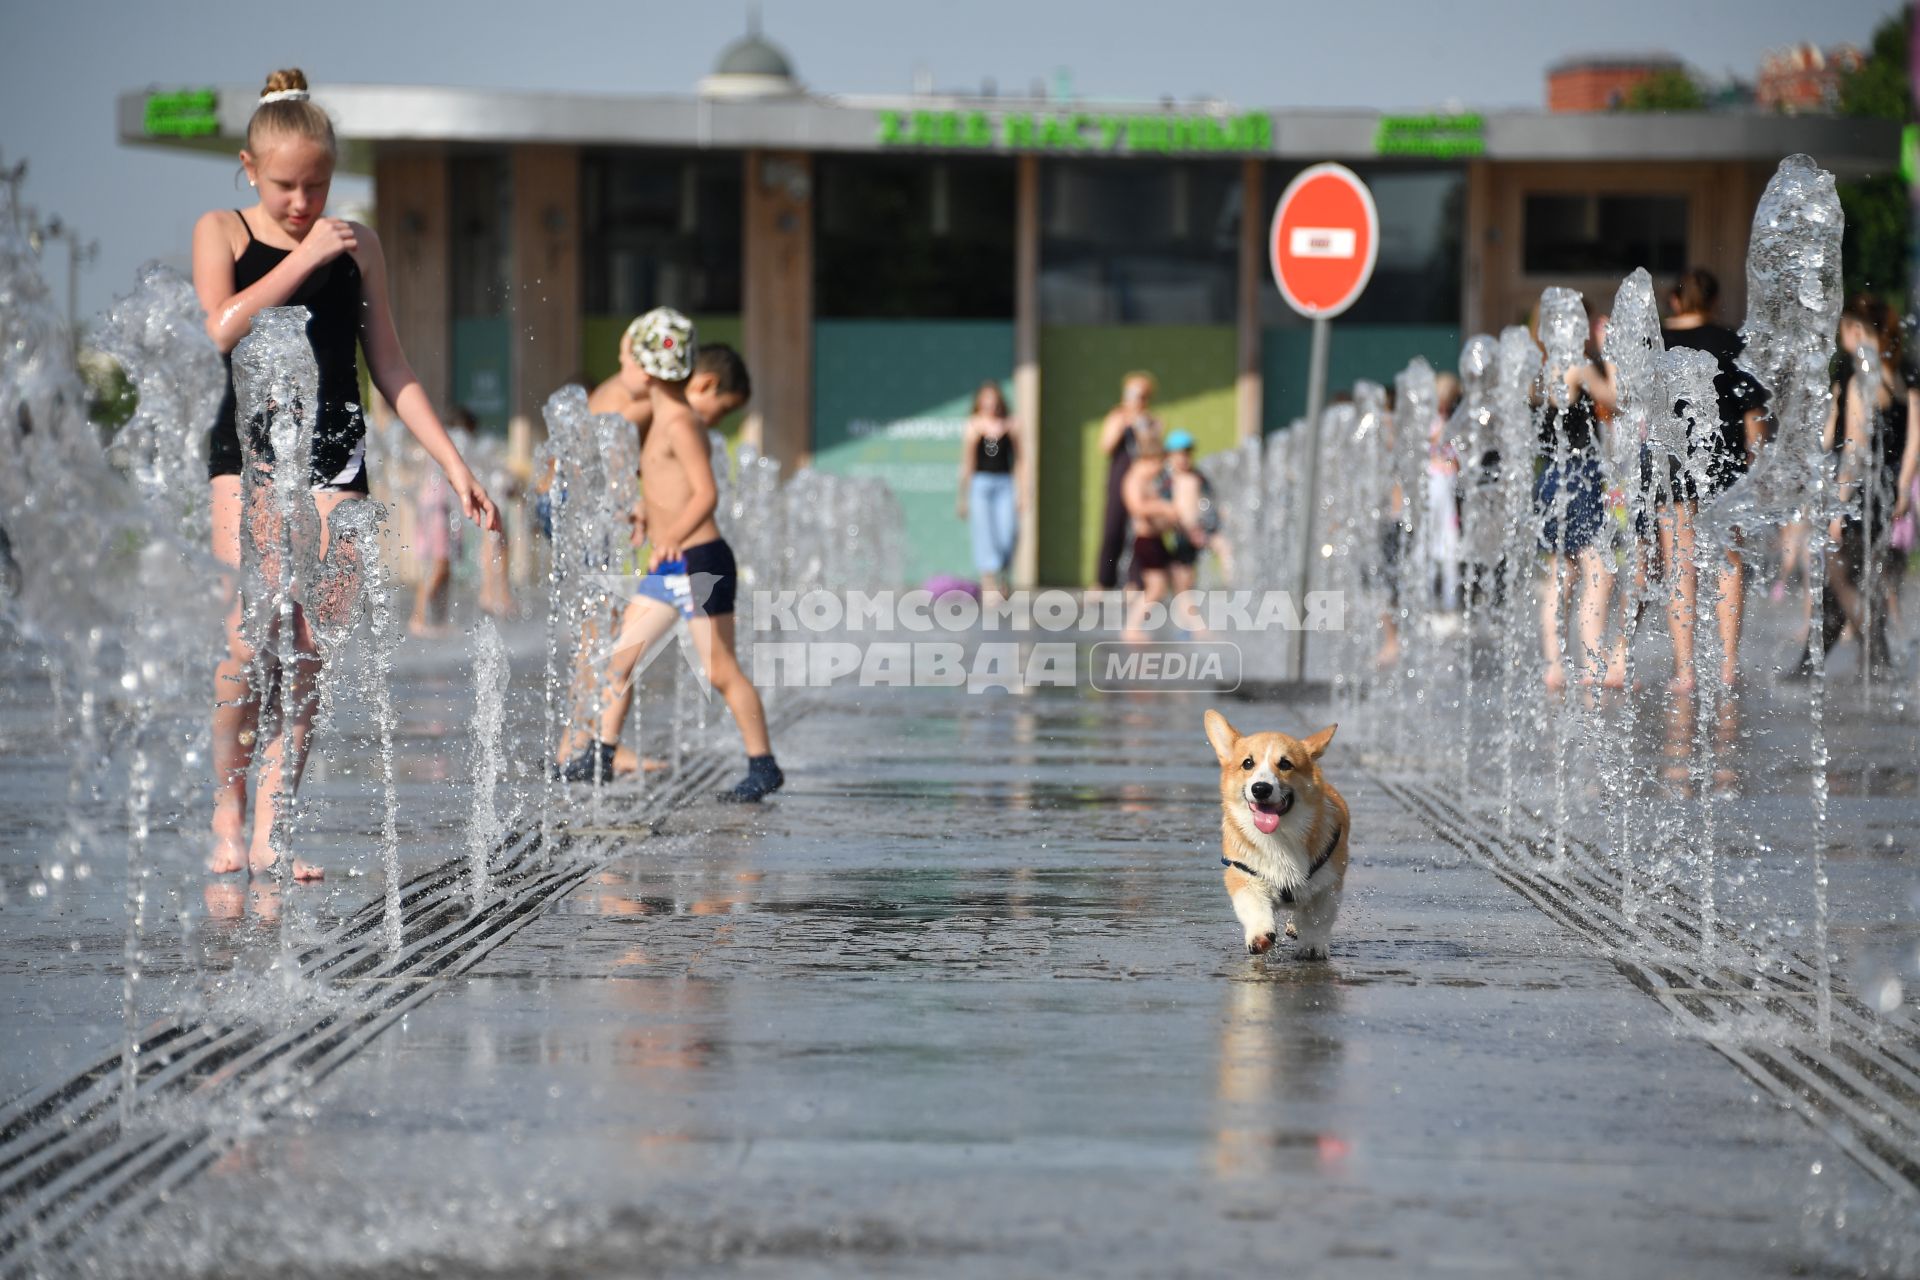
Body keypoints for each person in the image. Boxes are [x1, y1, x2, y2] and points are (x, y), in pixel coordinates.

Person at [192, 69, 497, 880]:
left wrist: (455, 465)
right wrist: (303, 258)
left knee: (309, 650)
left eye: (318, 184)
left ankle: (274, 827)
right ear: (250, 169)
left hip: (338, 457)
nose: (303, 202)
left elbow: (390, 366)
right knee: (242, 639)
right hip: (249, 456)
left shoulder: (358, 245)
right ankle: (227, 808)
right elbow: (221, 329)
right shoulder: (221, 229)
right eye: (287, 185)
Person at [558, 312, 779, 801]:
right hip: (670, 563)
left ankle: (763, 764)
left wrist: (673, 533)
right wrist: (644, 510)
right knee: (620, 657)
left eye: (630, 360)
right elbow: (664, 486)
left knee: (720, 669)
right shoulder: (661, 418)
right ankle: (600, 754)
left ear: (652, 368)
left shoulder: (681, 421)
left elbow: (705, 495)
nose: (625, 370)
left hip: (700, 559)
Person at [1658, 267, 1768, 693]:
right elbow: (1752, 412)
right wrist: (1754, 464)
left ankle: (1685, 671)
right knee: (1728, 561)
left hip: (1672, 461)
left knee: (1679, 564)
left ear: (1674, 300)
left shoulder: (1657, 342)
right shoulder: (1731, 342)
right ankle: (1726, 666)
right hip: (1725, 458)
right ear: (1714, 301)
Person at [1796, 296, 1919, 673]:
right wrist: (1901, 487)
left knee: (1838, 574)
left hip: (1860, 492)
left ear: (1855, 330)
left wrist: (1838, 505)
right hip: (1887, 489)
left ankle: (1877, 654)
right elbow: (1915, 438)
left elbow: (1855, 448)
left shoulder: (1857, 376)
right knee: (1853, 579)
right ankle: (1809, 667)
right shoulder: (1901, 373)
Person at [1535, 313, 1618, 691]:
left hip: (1552, 475)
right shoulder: (1579, 366)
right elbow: (1615, 399)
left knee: (1562, 572)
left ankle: (1554, 665)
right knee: (1597, 571)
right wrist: (1610, 354)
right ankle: (1593, 660)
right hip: (1579, 475)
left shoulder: (1547, 367)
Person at [408, 405, 476, 637]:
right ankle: (418, 618)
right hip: (439, 509)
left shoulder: (442, 444)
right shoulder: (453, 444)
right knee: (438, 566)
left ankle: (439, 619)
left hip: (438, 508)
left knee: (444, 568)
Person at [955, 381, 1024, 599]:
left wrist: (1024, 491)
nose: (990, 405)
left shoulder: (1011, 425)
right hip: (981, 484)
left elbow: (1021, 460)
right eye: (985, 400)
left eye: (993, 400)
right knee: (984, 533)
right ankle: (989, 583)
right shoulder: (973, 426)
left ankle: (1004, 574)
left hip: (1005, 483)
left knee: (1007, 531)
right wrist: (962, 497)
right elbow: (967, 463)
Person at [1096, 372, 1163, 590]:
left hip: (1141, 477)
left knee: (1139, 529)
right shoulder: (1117, 417)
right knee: (1113, 528)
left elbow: (1153, 451)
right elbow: (1105, 446)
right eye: (1133, 394)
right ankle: (1104, 579)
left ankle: (1136, 580)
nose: (1137, 400)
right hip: (1120, 474)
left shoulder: (1150, 420)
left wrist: (1145, 427)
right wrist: (1124, 423)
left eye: (1142, 395)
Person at [1120, 434, 1179, 643]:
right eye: (1156, 463)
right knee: (1156, 587)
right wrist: (1162, 507)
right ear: (1145, 460)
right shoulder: (1134, 479)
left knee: (1174, 580)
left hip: (1155, 539)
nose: (1158, 469)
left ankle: (1186, 624)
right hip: (1145, 541)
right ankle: (1132, 627)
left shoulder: (1147, 480)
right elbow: (1137, 507)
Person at [1162, 430, 1218, 612]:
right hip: (1181, 534)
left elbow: (1210, 503)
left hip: (1202, 531)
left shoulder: (1198, 478)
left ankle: (1233, 589)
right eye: (1178, 454)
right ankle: (1186, 620)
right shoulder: (1169, 481)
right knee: (1183, 579)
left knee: (1222, 551)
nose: (1183, 459)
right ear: (1169, 456)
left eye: (1187, 454)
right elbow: (1165, 507)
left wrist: (1209, 526)